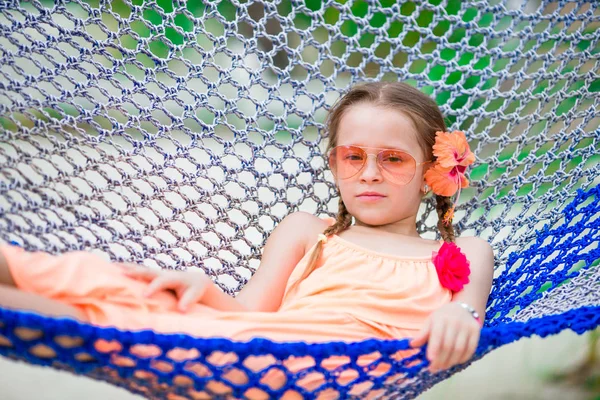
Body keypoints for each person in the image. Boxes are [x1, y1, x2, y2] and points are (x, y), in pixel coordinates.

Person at [0, 82, 494, 397]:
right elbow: (251, 309)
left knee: (117, 327)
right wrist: (201, 285)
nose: (368, 173)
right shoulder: (308, 230)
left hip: (321, 372)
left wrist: (459, 313)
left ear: (432, 170)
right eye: (353, 156)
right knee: (122, 287)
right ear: (334, 165)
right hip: (252, 349)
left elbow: (468, 310)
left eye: (393, 159)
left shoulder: (459, 252)